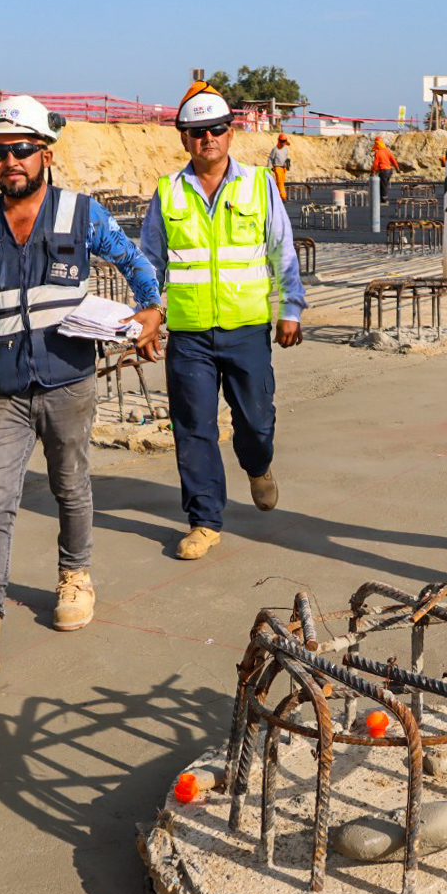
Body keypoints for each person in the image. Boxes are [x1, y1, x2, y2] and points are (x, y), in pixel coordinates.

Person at [0, 95, 164, 673]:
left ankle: (74, 576)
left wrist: (151, 312)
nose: (10, 161)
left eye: (22, 151)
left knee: (70, 485)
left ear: (45, 154)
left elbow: (138, 265)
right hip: (1, 389)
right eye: (0, 152)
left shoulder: (80, 214)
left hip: (67, 382)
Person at [138, 82, 308, 561]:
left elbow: (283, 250)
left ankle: (258, 466)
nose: (206, 138)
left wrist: (290, 308)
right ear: (183, 138)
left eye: (215, 129)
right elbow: (150, 260)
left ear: (230, 134)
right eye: (196, 131)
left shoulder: (257, 184)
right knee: (193, 427)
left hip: (247, 328)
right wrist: (149, 313)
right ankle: (204, 521)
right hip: (190, 333)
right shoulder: (168, 192)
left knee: (256, 422)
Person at [372, 135, 399, 204]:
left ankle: (384, 199)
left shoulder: (378, 153)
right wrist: (397, 167)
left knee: (382, 185)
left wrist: (373, 172)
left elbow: (376, 164)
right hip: (389, 171)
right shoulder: (388, 151)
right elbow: (393, 159)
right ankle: (383, 198)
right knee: (385, 184)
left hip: (383, 171)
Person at [268, 134, 292, 201]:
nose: (283, 142)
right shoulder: (275, 150)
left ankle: (278, 196)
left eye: (284, 141)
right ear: (279, 141)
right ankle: (283, 196)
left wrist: (288, 162)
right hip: (277, 167)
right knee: (280, 182)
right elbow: (270, 159)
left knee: (282, 182)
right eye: (282, 141)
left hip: (283, 167)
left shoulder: (286, 149)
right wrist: (269, 167)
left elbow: (286, 157)